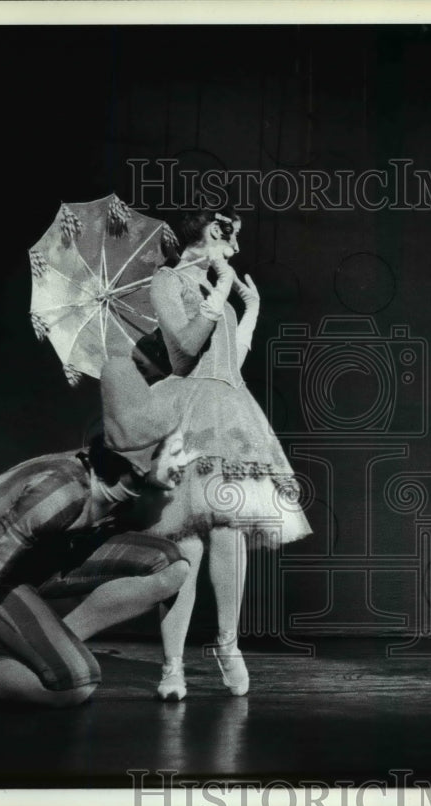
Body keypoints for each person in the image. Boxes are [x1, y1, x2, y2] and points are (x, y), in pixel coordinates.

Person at [0, 358, 200, 720]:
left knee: (173, 561)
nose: (187, 461)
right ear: (138, 463)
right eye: (178, 452)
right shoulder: (60, 492)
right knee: (76, 685)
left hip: (49, 555)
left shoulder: (131, 488)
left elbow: (141, 364)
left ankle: (55, 642)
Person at [131, 206, 311, 701]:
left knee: (229, 527)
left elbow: (228, 362)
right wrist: (221, 292)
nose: (234, 249)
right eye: (229, 239)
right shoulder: (168, 281)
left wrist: (247, 310)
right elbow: (185, 353)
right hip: (186, 408)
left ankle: (228, 645)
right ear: (212, 232)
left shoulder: (218, 288)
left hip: (229, 410)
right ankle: (172, 665)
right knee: (183, 540)